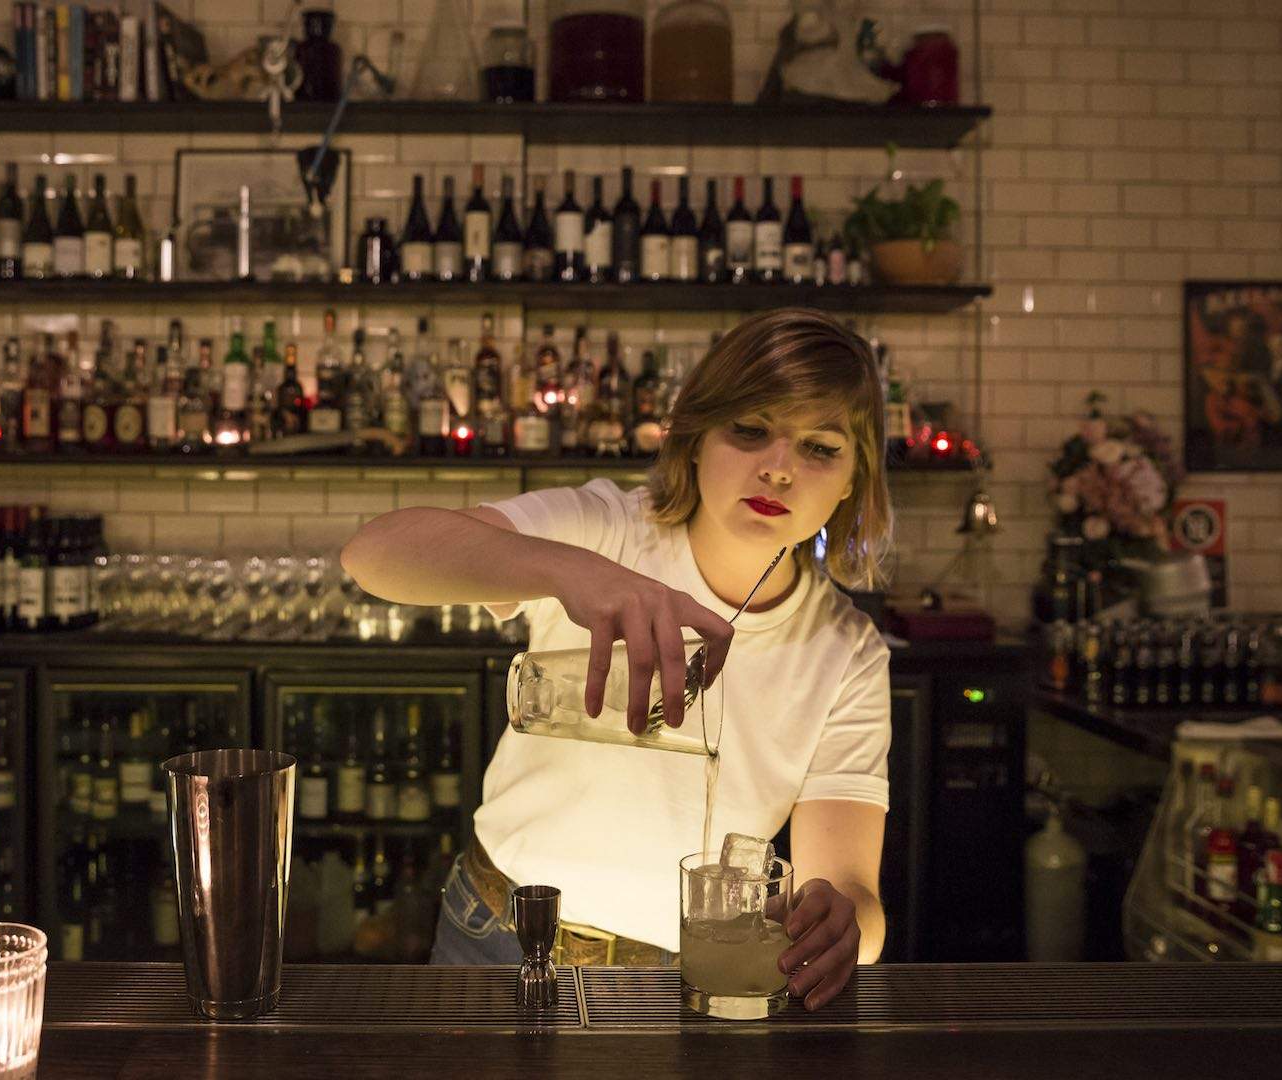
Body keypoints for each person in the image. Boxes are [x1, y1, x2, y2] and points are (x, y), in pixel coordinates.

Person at [340, 308, 893, 1011]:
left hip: (687, 978)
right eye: (749, 431)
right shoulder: (606, 529)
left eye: (819, 448)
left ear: (853, 480)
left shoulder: (845, 652)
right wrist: (572, 573)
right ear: (693, 440)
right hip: (500, 938)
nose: (779, 468)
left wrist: (843, 926)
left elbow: (848, 888)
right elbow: (375, 554)